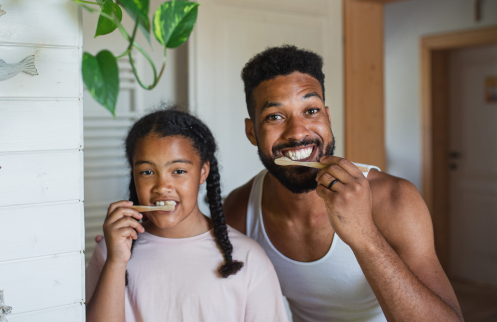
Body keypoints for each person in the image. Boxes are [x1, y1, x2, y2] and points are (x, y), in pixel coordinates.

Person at [223, 45, 463, 322]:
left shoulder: (395, 199)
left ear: (327, 117)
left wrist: (364, 235)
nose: (298, 132)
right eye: (275, 116)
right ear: (252, 132)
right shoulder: (240, 210)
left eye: (311, 110)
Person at [85, 108, 289, 322]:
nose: (162, 187)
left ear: (203, 172)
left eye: (179, 171)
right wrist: (116, 262)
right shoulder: (111, 252)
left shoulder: (248, 258)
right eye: (147, 172)